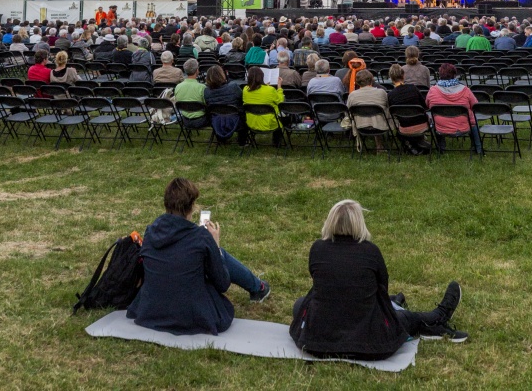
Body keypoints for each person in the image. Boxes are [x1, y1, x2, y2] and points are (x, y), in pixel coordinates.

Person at [289, 199, 466, 358]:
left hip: (317, 342)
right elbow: (381, 288)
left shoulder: (318, 249)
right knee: (401, 318)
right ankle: (437, 318)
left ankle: (398, 306)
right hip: (369, 342)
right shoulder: (370, 251)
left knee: (300, 305)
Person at [127, 178, 269, 334]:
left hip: (152, 309)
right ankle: (258, 287)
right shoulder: (200, 237)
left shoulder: (151, 232)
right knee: (220, 255)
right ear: (191, 207)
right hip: (190, 315)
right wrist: (216, 247)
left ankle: (258, 286)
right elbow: (222, 284)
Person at [425, 63, 482, 153]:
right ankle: (478, 148)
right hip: (463, 125)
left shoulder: (432, 90)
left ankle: (441, 147)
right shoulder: (465, 90)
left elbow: (427, 105)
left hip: (440, 126)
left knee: (434, 118)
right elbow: (475, 105)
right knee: (473, 120)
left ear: (440, 75)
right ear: (454, 74)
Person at [242, 66, 285, 145]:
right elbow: (280, 101)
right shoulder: (270, 90)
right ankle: (277, 142)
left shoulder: (245, 89)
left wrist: (266, 87)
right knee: (281, 114)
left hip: (252, 122)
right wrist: (279, 88)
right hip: (270, 123)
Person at [173, 58, 208, 128]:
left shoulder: (178, 87)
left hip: (185, 120)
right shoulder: (202, 87)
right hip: (200, 120)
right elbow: (207, 104)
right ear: (197, 70)